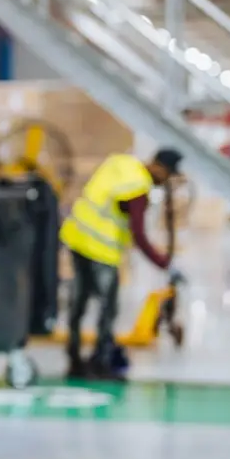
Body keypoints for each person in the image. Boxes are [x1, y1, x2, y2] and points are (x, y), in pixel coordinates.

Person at [58, 147, 181, 380]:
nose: (165, 180)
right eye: (167, 174)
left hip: (77, 237)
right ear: (158, 167)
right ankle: (101, 363)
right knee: (108, 309)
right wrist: (163, 262)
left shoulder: (122, 163)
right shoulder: (138, 189)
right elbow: (139, 235)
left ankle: (73, 359)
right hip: (101, 250)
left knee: (78, 304)